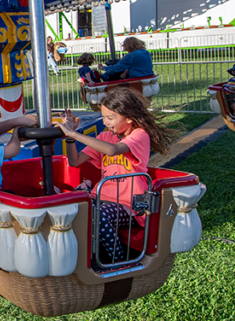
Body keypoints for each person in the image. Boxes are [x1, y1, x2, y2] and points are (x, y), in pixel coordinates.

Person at [54, 88, 179, 263]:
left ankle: (117, 260)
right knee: (71, 206)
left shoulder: (139, 135)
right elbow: (75, 161)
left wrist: (74, 134)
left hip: (128, 204)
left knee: (99, 215)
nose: (105, 122)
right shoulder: (105, 137)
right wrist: (70, 138)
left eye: (110, 118)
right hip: (101, 197)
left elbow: (113, 151)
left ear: (129, 117)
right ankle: (80, 258)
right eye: (104, 117)